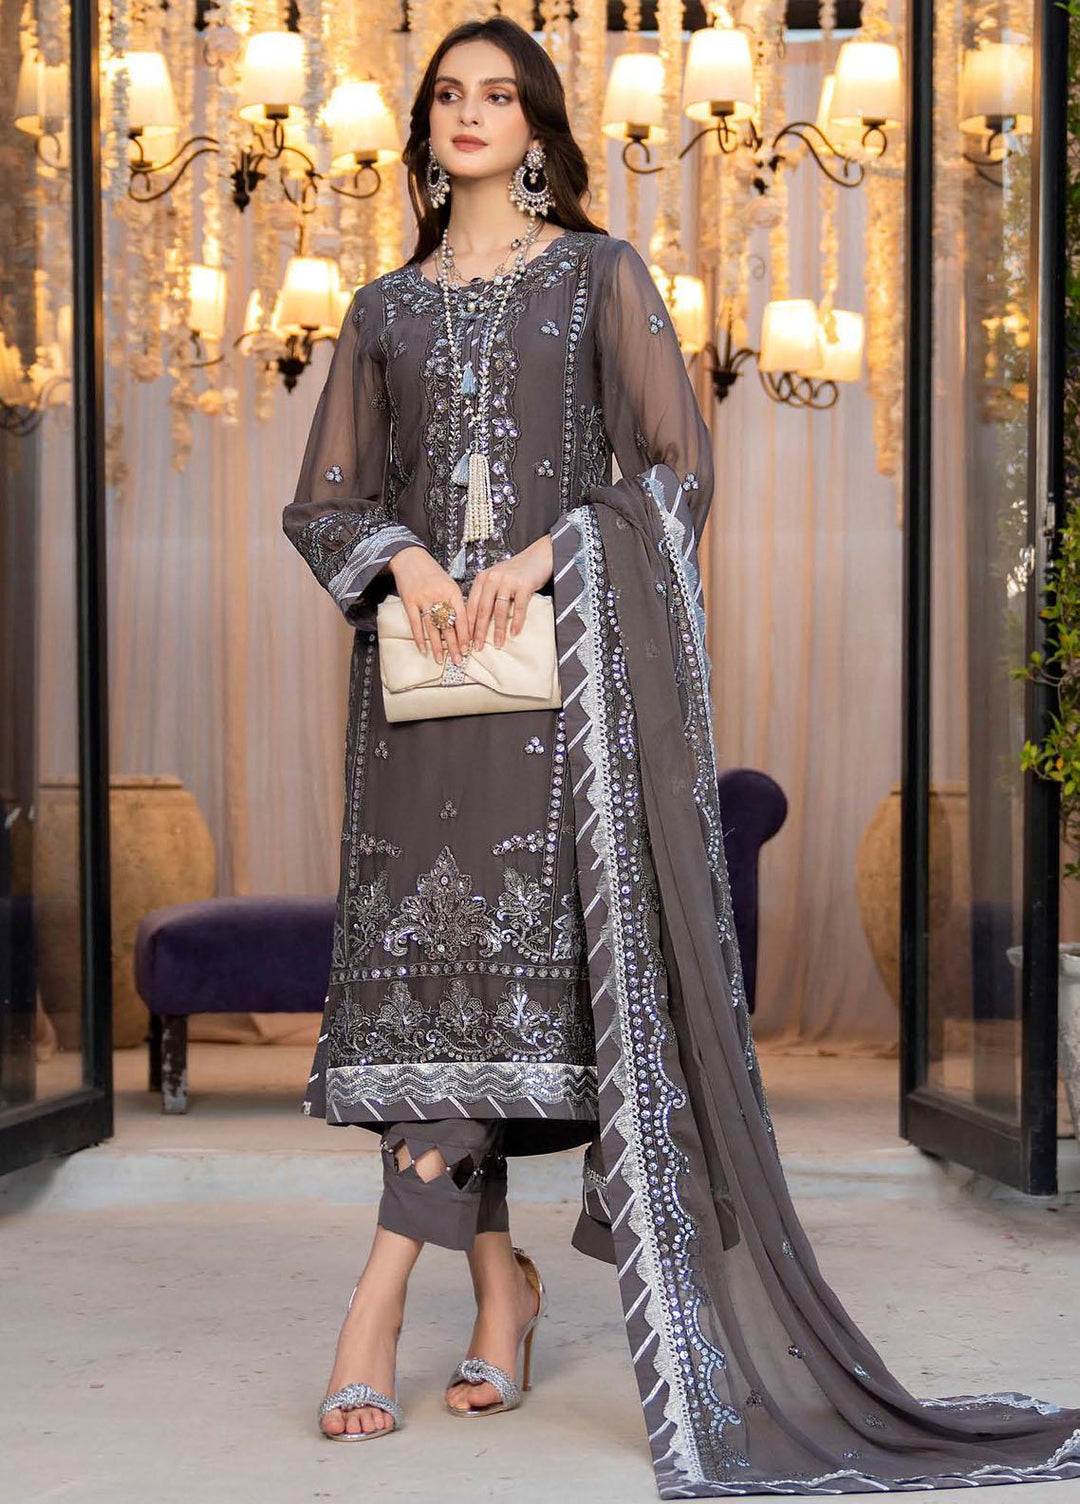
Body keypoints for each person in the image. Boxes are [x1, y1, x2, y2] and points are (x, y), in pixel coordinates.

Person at [284, 15, 1080, 1495]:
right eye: (449, 95)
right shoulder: (382, 310)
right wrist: (406, 560)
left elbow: (674, 474)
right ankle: (504, 1292)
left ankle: (376, 1304)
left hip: (560, 701)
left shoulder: (600, 277)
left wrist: (548, 553)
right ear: (426, 128)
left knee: (513, 989)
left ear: (539, 130)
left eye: (500, 95)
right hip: (421, 700)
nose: (471, 114)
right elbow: (326, 501)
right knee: (438, 998)